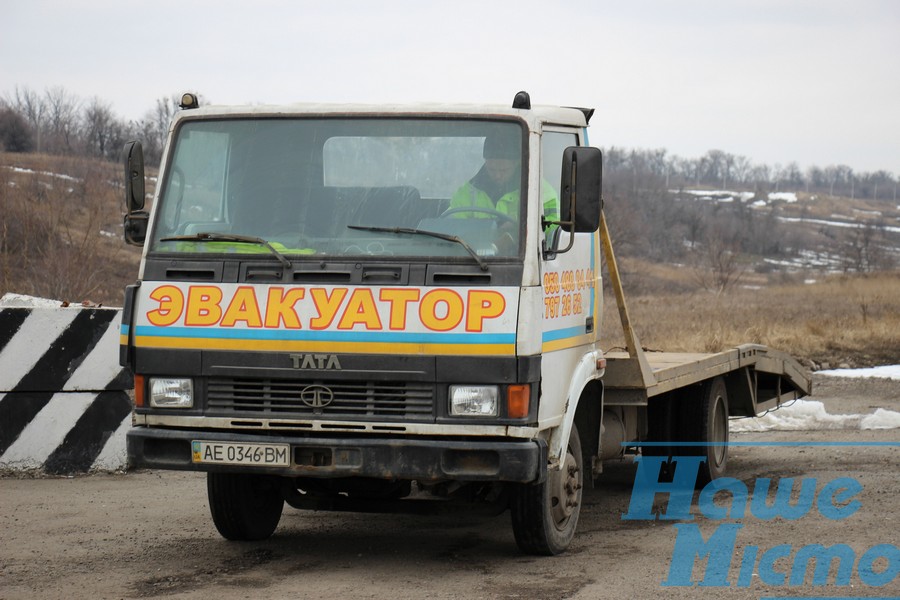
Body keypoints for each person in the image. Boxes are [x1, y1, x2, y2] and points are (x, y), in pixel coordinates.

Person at [449, 133, 559, 253]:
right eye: (491, 169)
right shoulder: (467, 192)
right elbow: (454, 228)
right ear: (486, 162)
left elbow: (554, 229)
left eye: (504, 170)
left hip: (525, 256)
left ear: (517, 163)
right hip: (472, 257)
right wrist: (488, 234)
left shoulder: (539, 190)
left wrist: (520, 230)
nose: (497, 175)